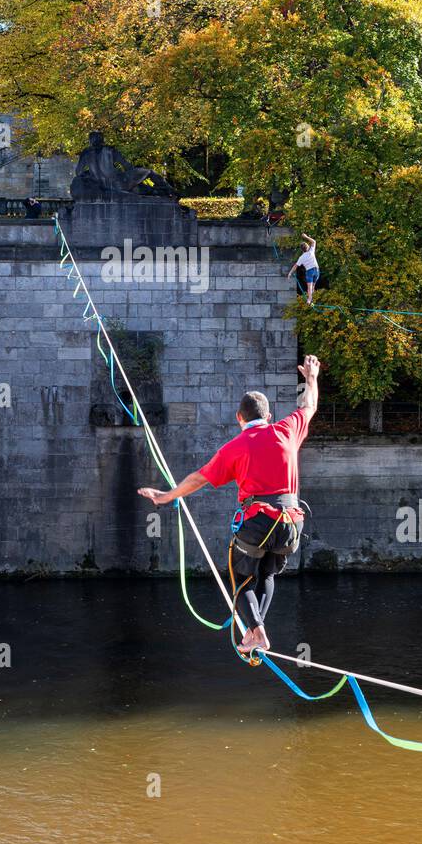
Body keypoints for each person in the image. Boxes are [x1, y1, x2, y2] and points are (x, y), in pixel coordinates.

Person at [138, 355, 320, 654]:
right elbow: (309, 405)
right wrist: (311, 377)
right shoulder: (287, 429)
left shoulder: (234, 448)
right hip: (292, 522)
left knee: (241, 577)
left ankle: (257, 631)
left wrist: (165, 496)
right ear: (270, 415)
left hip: (259, 520)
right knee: (269, 573)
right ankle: (254, 632)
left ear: (240, 418)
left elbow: (198, 479)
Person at [288, 232, 319, 306]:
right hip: (316, 270)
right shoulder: (311, 251)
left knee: (309, 287)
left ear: (302, 250)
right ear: (307, 247)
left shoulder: (301, 258)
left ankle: (309, 300)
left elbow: (295, 266)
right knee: (313, 287)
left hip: (309, 272)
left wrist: (290, 273)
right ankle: (311, 300)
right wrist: (306, 237)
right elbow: (314, 241)